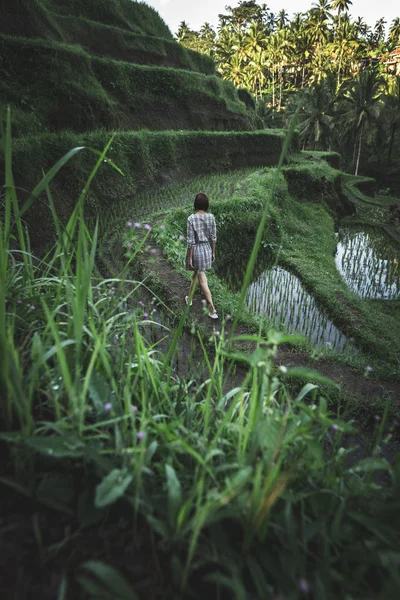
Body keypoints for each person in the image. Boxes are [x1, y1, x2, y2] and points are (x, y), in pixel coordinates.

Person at [185, 193, 218, 319]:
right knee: (196, 275)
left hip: (197, 251)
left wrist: (189, 258)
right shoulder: (211, 217)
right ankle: (189, 297)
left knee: (202, 279)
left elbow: (191, 242)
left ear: (195, 204)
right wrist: (213, 252)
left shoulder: (191, 219)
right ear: (206, 205)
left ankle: (212, 309)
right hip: (207, 249)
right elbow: (213, 238)